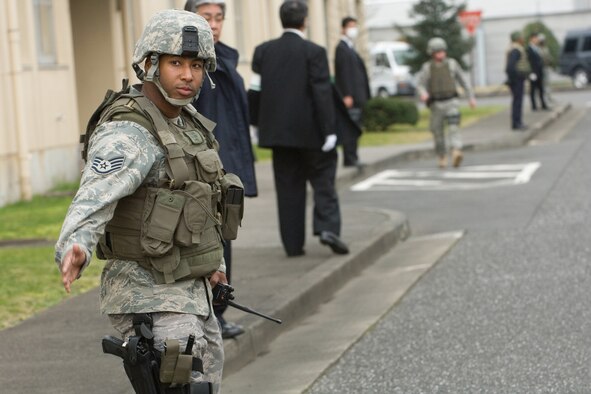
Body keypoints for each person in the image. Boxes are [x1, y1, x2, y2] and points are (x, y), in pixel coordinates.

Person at [55, 9, 238, 393]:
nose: (188, 75)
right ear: (150, 64)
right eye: (176, 63)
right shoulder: (129, 130)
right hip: (146, 291)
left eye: (196, 65)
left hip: (190, 288)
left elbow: (203, 204)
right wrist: (76, 246)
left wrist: (214, 263)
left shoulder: (186, 122)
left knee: (207, 380)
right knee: (184, 386)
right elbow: (94, 195)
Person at [248, 0, 349, 257]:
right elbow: (322, 93)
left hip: (279, 136)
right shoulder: (314, 51)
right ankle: (328, 228)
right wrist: (329, 130)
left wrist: (256, 123)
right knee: (324, 181)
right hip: (313, 134)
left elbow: (255, 90)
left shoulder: (263, 51)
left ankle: (293, 245)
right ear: (305, 20)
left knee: (288, 190)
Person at [184, 0, 257, 340]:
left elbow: (235, 120)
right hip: (199, 170)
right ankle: (207, 316)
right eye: (205, 17)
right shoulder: (188, 66)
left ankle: (216, 314)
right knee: (204, 245)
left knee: (223, 242)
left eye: (218, 18)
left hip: (225, 168)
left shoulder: (225, 57)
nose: (213, 24)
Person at [416, 37, 476, 169]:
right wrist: (424, 94)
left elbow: (464, 81)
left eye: (442, 51)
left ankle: (456, 151)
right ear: (432, 53)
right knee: (437, 132)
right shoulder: (427, 68)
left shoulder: (452, 64)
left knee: (454, 128)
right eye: (437, 52)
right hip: (436, 104)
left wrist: (471, 97)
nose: (441, 54)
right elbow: (420, 84)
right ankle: (442, 156)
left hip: (452, 102)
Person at [334, 16, 370, 168]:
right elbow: (343, 73)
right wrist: (346, 94)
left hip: (357, 95)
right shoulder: (341, 49)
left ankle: (353, 156)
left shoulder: (350, 48)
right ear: (343, 28)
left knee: (356, 126)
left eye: (355, 25)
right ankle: (350, 157)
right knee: (351, 126)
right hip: (350, 96)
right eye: (350, 26)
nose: (353, 29)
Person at [505, 31, 530, 131]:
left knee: (517, 101)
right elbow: (510, 67)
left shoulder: (514, 48)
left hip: (517, 79)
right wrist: (514, 78)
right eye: (521, 37)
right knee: (517, 101)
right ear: (518, 39)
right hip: (517, 79)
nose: (523, 39)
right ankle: (517, 123)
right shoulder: (516, 50)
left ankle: (517, 122)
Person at [526, 32, 549, 111]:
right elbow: (528, 62)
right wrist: (530, 73)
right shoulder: (528, 49)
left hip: (539, 72)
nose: (537, 40)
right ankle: (534, 106)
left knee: (541, 89)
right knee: (533, 89)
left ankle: (543, 104)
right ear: (532, 39)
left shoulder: (538, 48)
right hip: (533, 73)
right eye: (535, 38)